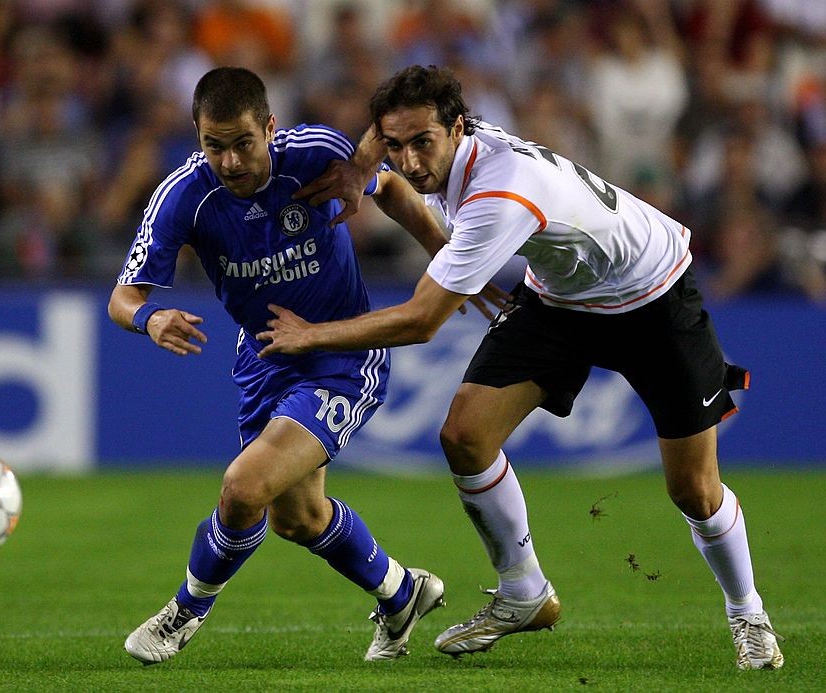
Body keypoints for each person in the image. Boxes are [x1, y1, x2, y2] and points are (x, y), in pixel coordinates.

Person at [257, 65, 784, 671]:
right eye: (394, 145)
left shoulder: (499, 192)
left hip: (652, 296)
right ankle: (524, 592)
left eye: (421, 143)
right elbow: (387, 142)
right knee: (464, 435)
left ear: (458, 128)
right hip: (559, 300)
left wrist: (310, 336)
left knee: (693, 488)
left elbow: (422, 322)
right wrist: (359, 167)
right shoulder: (448, 144)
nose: (407, 160)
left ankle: (749, 615)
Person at [108, 66, 459, 665]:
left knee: (243, 486)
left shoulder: (315, 156)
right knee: (298, 519)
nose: (229, 161)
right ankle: (403, 592)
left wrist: (453, 259)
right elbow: (123, 297)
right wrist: (151, 319)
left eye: (243, 143)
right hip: (265, 357)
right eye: (212, 146)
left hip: (342, 358)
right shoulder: (184, 196)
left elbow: (392, 188)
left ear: (269, 127)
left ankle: (184, 612)